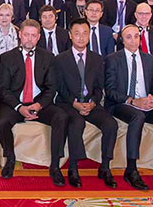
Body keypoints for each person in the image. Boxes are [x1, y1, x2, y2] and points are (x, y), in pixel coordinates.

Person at [0, 19, 67, 186]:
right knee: (1, 122)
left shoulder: (48, 57)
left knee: (61, 117)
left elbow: (51, 88)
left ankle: (55, 165)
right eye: (26, 34)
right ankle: (10, 158)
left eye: (33, 35)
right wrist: (19, 107)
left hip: (38, 103)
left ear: (39, 37)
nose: (29, 39)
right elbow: (2, 89)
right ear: (20, 35)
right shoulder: (6, 58)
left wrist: (39, 105)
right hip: (15, 104)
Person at [104, 25, 153, 191]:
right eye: (128, 37)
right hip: (122, 104)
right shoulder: (113, 59)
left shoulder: (150, 60)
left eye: (136, 36)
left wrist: (152, 99)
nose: (133, 40)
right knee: (138, 116)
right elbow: (110, 91)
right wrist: (133, 101)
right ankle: (131, 169)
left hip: (146, 103)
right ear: (122, 40)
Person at [54, 18, 119, 189]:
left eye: (85, 33)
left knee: (111, 124)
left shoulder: (97, 59)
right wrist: (74, 103)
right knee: (77, 123)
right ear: (70, 35)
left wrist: (93, 103)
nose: (81, 37)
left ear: (90, 35)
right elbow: (60, 88)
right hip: (68, 103)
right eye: (77, 33)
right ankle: (73, 168)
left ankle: (105, 166)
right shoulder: (60, 59)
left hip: (91, 103)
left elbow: (99, 87)